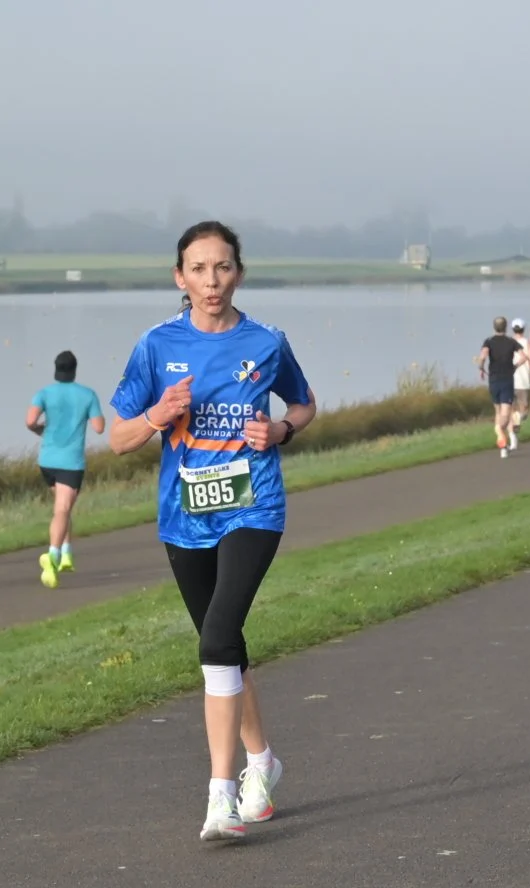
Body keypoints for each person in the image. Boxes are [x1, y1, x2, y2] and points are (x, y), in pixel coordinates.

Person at [106, 221, 317, 842]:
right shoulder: (156, 345)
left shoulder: (266, 342)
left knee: (218, 638)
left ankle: (220, 796)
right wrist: (157, 414)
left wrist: (281, 430)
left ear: (238, 274)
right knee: (224, 646)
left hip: (254, 508)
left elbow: (304, 402)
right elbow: (117, 439)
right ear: (180, 277)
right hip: (185, 517)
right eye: (198, 269)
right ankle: (263, 762)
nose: (211, 280)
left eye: (222, 267)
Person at [25, 350, 105, 588]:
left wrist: (42, 430)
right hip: (71, 462)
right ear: (75, 369)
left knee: (62, 508)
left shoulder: (43, 393)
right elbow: (99, 427)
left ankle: (67, 553)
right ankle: (53, 555)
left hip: (47, 460)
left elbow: (30, 421)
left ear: (56, 368)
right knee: (62, 509)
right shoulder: (87, 394)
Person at [476, 316, 530, 457]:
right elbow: (524, 357)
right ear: (506, 327)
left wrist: (481, 367)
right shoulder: (511, 342)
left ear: (494, 327)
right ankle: (501, 433)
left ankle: (502, 443)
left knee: (498, 412)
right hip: (507, 380)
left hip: (494, 381)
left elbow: (483, 356)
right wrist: (515, 366)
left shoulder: (489, 341)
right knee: (506, 413)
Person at [509, 317, 530, 419]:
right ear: (524, 328)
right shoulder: (527, 342)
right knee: (524, 407)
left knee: (512, 407)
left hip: (509, 379)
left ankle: (515, 423)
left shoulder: (508, 342)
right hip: (524, 380)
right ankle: (517, 422)